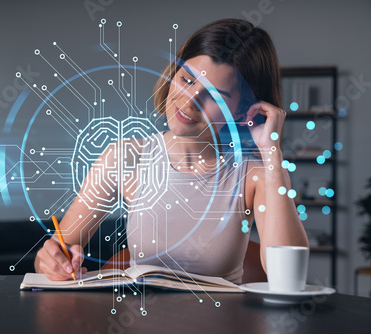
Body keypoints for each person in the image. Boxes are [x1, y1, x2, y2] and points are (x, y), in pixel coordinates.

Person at [34, 18, 309, 283]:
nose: (189, 102)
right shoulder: (125, 158)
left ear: (241, 111)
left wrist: (271, 151)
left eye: (214, 96)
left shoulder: (254, 174)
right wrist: (52, 261)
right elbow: (55, 254)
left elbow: (287, 277)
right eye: (187, 80)